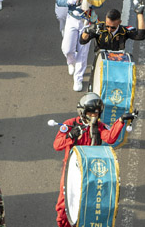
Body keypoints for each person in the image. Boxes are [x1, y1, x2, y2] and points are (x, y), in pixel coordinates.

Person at [52, 94, 132, 227]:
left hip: (91, 170)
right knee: (63, 205)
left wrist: (121, 121)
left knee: (91, 203)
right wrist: (71, 135)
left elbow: (110, 138)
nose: (94, 116)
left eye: (96, 113)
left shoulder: (99, 126)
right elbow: (57, 145)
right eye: (90, 112)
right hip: (71, 171)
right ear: (82, 111)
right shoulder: (69, 124)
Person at [79, 4, 145, 52]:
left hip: (118, 60)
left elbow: (140, 36)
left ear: (119, 22)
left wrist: (140, 14)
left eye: (113, 27)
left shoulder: (123, 31)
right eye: (107, 26)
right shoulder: (99, 28)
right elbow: (82, 41)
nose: (109, 29)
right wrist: (87, 31)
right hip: (101, 60)